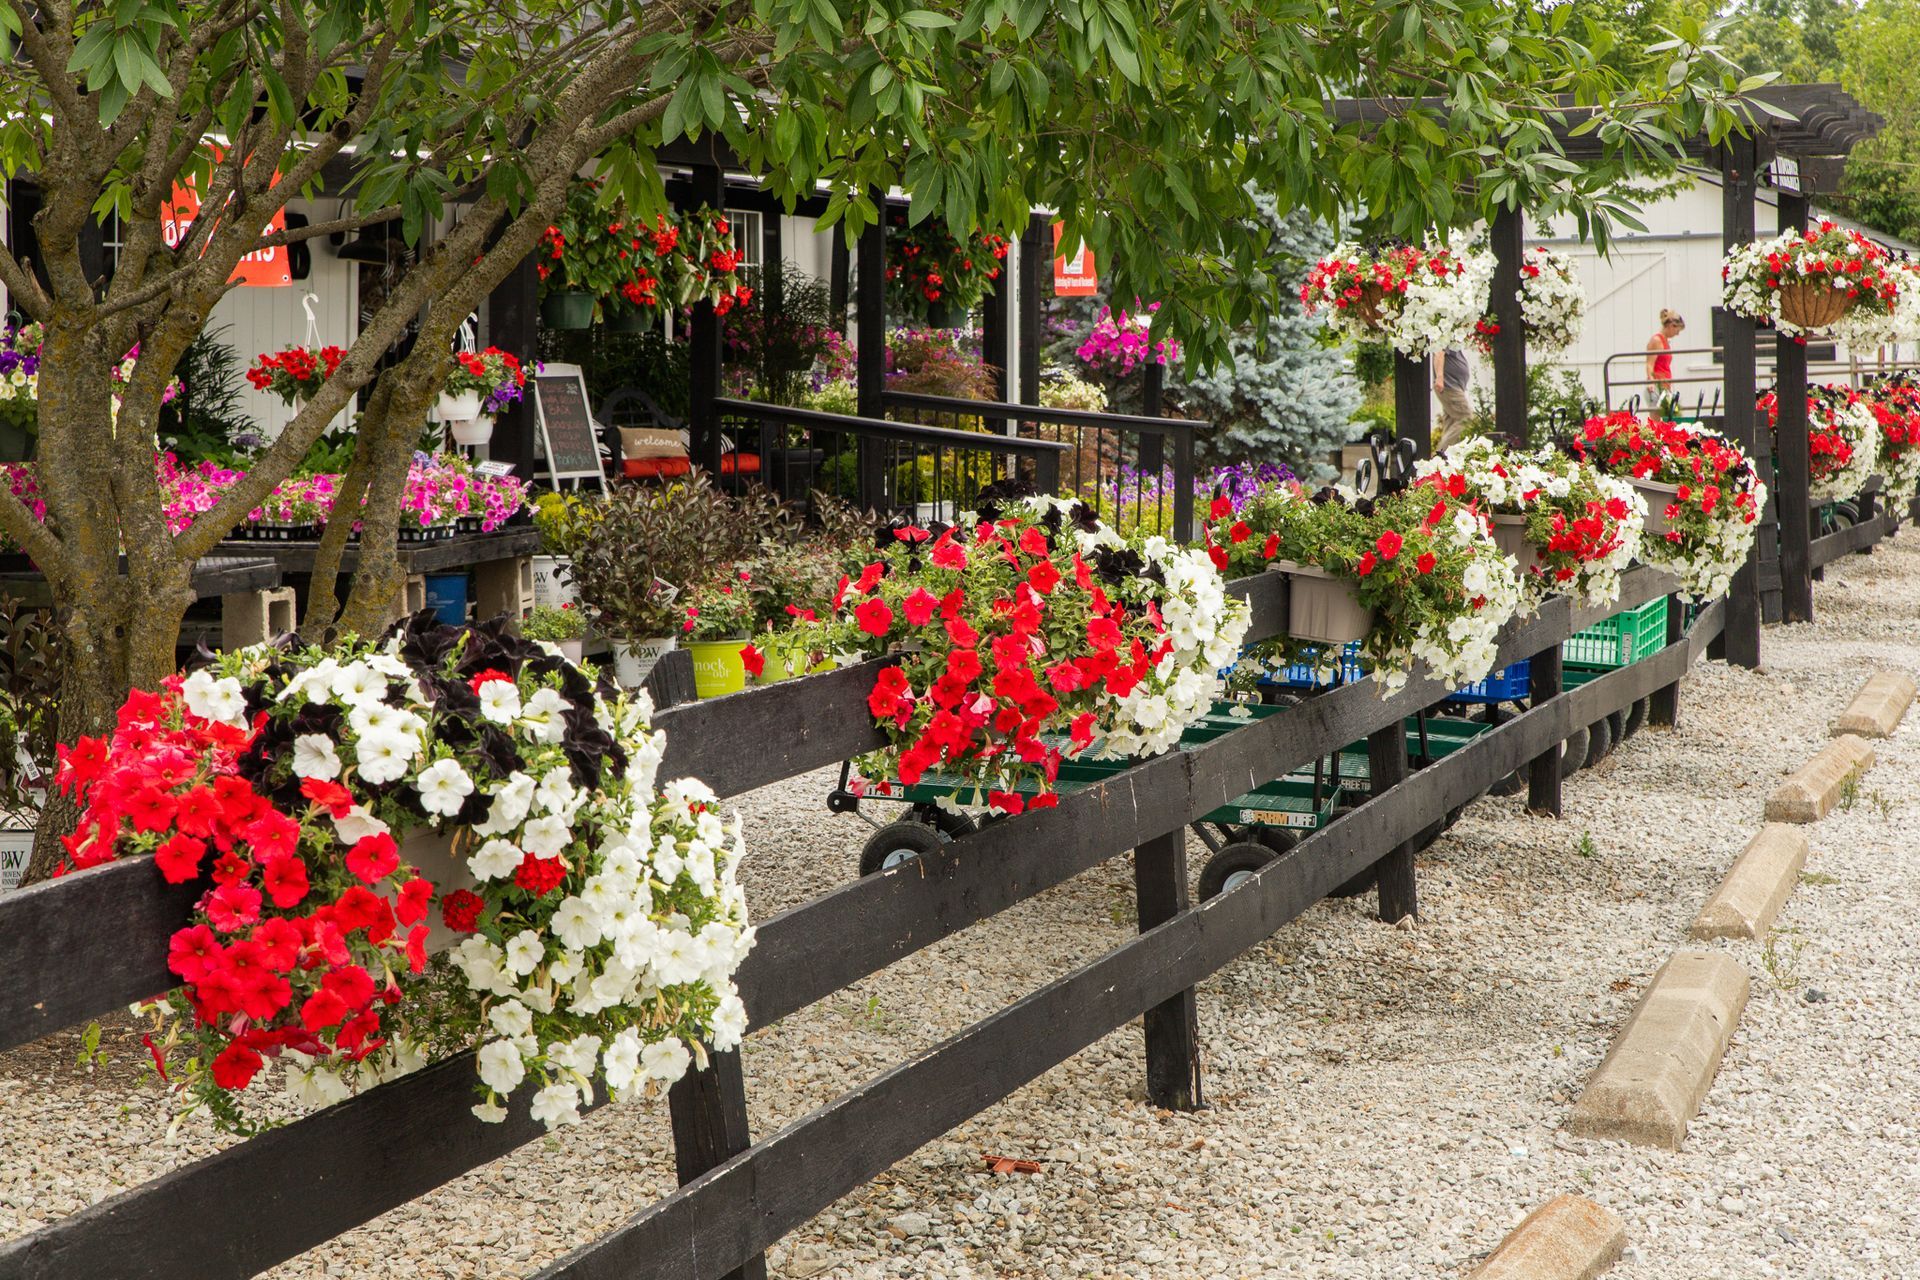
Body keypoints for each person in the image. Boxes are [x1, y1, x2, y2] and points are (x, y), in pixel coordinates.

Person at [1431, 347, 1471, 454]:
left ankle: (1444, 463)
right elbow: (1438, 352)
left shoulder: (1453, 336)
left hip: (1454, 386)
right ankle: (1439, 457)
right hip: (1449, 386)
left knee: (1451, 423)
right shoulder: (1445, 332)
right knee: (1467, 419)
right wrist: (1439, 377)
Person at [1646, 309, 1684, 402]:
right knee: (1657, 415)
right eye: (1677, 330)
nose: (1677, 334)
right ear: (1671, 326)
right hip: (1657, 385)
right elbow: (1650, 364)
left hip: (1665, 384)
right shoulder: (1657, 340)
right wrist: (1651, 382)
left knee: (1669, 414)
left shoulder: (1665, 341)